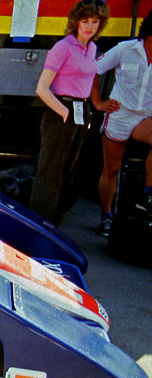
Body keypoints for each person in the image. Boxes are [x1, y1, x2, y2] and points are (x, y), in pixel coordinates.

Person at [29, 0, 110, 227]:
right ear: (76, 21)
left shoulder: (91, 48)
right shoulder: (62, 48)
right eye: (85, 21)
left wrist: (94, 105)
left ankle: (56, 221)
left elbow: (89, 77)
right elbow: (41, 89)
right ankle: (40, 223)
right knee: (50, 173)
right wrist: (63, 111)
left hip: (81, 111)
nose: (90, 26)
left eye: (95, 22)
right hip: (60, 110)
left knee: (69, 170)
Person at [91, 10, 152, 236]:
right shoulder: (125, 49)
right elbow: (93, 71)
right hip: (119, 113)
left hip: (146, 116)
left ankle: (148, 194)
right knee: (112, 169)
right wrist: (97, 102)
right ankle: (106, 216)